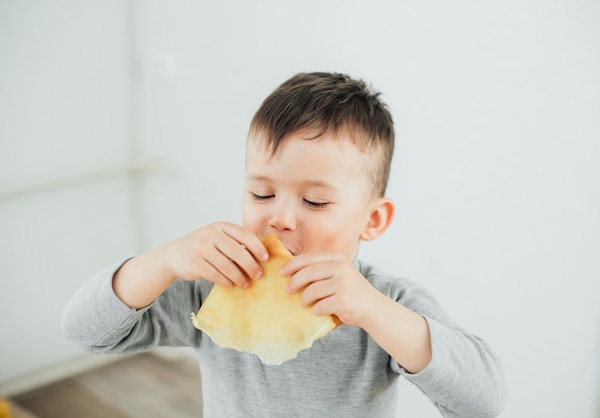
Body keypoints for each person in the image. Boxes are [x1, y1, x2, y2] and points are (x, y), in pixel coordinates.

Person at [62, 72, 506, 417]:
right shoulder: (215, 287)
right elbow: (86, 331)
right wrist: (164, 260)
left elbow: (482, 400)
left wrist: (372, 310)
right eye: (261, 194)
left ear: (371, 220)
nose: (281, 218)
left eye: (314, 200)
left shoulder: (386, 301)